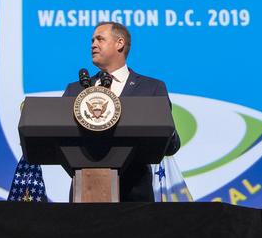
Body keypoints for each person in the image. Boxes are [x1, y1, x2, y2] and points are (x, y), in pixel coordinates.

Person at [62, 21, 181, 202]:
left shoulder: (150, 88)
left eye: (100, 39)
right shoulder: (75, 90)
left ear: (120, 43)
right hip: (84, 196)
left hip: (134, 198)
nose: (93, 44)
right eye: (92, 40)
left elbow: (171, 144)